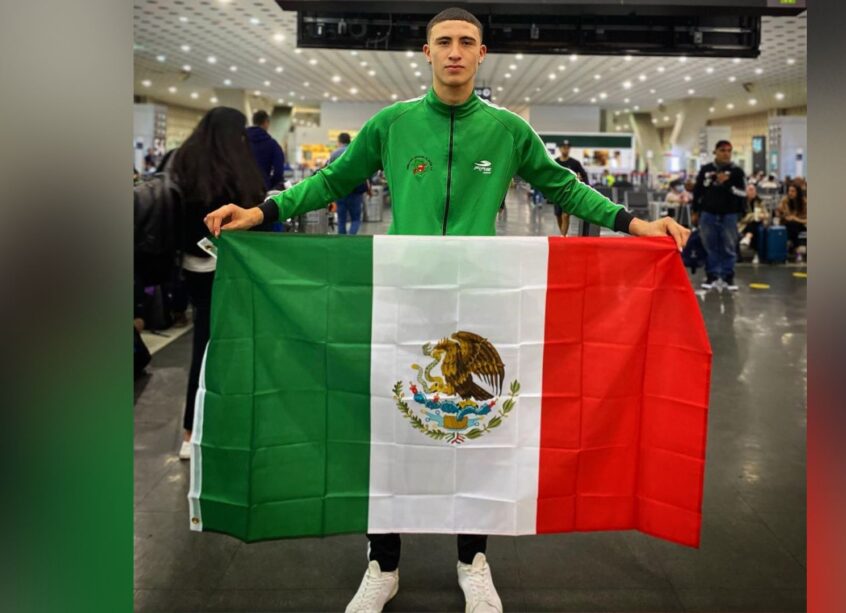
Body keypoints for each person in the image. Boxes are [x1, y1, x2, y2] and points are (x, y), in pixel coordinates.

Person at [203, 8, 689, 612]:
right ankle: (383, 564)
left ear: (481, 55)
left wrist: (637, 224)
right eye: (444, 43)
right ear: (426, 53)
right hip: (401, 299)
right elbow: (330, 182)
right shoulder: (392, 124)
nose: (455, 52)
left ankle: (472, 560)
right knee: (390, 425)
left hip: (482, 297)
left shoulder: (509, 130)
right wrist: (263, 211)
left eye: (466, 43)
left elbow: (562, 187)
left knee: (476, 429)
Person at [170, 107, 266, 460]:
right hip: (230, 267)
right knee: (233, 345)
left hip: (192, 267)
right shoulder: (238, 169)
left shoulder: (184, 161)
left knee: (203, 343)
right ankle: (217, 425)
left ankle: (190, 430)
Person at [691, 139, 747, 291]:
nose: (726, 153)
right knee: (710, 245)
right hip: (708, 214)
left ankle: (728, 277)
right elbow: (698, 192)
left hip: (729, 215)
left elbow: (743, 193)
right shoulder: (706, 170)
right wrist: (695, 211)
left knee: (728, 246)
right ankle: (712, 275)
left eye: (729, 150)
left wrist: (727, 184)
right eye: (722, 150)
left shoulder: (737, 171)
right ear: (715, 152)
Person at [328, 132, 371, 235]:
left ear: (339, 141)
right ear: (349, 140)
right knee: (356, 219)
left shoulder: (334, 154)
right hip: (356, 190)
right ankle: (351, 239)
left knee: (341, 219)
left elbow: (329, 172)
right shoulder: (357, 152)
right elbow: (366, 171)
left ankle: (342, 242)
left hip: (340, 191)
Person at [551, 140, 589, 236]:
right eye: (564, 147)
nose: (566, 149)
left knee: (566, 215)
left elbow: (584, 175)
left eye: (568, 148)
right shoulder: (555, 162)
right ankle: (563, 234)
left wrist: (582, 183)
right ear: (560, 149)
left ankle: (563, 237)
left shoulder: (575, 163)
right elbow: (551, 177)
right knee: (558, 215)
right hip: (558, 193)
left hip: (570, 194)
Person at [246, 110, 285, 191]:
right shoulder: (272, 144)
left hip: (240, 188)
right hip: (261, 188)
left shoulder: (240, 141)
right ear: (266, 122)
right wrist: (269, 184)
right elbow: (278, 171)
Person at [738, 183, 769, 259]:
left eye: (753, 190)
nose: (752, 192)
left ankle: (748, 237)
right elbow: (742, 218)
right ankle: (756, 253)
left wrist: (762, 216)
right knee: (754, 223)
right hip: (744, 225)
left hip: (758, 224)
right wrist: (755, 215)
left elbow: (766, 214)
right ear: (746, 191)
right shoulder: (742, 202)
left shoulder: (759, 201)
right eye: (750, 190)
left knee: (756, 223)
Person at [776, 182, 807, 257]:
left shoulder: (804, 202)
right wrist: (781, 214)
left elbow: (807, 219)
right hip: (786, 224)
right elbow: (778, 213)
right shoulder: (785, 200)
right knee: (791, 225)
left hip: (801, 223)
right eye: (789, 191)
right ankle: (797, 248)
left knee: (793, 224)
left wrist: (795, 219)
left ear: (798, 192)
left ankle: (791, 245)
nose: (790, 193)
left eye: (793, 191)